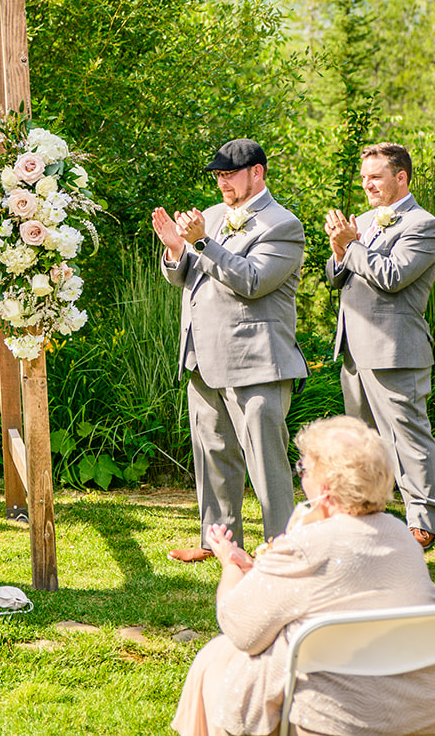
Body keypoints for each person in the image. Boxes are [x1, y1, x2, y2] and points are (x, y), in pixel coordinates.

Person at [173, 417, 435, 736]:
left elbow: (239, 627)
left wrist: (231, 565)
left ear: (325, 488)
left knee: (216, 657)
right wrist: (261, 568)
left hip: (340, 722)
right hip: (425, 717)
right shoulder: (402, 537)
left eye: (304, 469)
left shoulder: (305, 544)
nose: (300, 477)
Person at [153, 138, 306, 561]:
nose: (221, 182)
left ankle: (283, 546)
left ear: (257, 172)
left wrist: (201, 244)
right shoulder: (215, 216)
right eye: (217, 175)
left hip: (256, 361)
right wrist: (174, 249)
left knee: (266, 462)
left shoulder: (283, 225)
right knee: (213, 453)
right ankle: (218, 542)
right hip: (202, 355)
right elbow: (189, 277)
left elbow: (253, 281)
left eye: (228, 174)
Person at [324, 142, 435, 549]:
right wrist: (340, 249)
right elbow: (337, 276)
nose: (367, 185)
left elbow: (392, 275)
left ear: (401, 178)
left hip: (396, 347)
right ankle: (369, 512)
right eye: (364, 178)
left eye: (375, 177)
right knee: (363, 440)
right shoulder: (363, 221)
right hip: (354, 349)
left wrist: (352, 244)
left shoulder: (422, 224)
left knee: (408, 436)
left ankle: (424, 518)